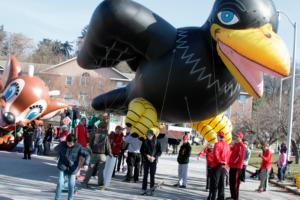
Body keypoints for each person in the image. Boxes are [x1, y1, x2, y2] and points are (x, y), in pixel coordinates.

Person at [54, 134, 90, 200]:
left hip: (73, 168)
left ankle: (70, 198)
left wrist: (86, 164)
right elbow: (55, 149)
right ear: (66, 141)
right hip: (63, 166)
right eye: (68, 143)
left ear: (74, 142)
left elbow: (87, 154)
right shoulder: (63, 144)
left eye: (71, 143)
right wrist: (58, 152)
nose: (69, 144)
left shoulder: (78, 147)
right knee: (60, 183)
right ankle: (57, 198)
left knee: (71, 185)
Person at [82, 122, 112, 191]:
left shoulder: (95, 134)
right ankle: (100, 184)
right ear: (105, 127)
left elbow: (91, 143)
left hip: (94, 153)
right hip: (102, 155)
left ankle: (85, 182)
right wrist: (109, 153)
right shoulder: (106, 135)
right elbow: (107, 146)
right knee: (101, 170)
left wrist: (92, 150)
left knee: (90, 169)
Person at [208, 131, 231, 200]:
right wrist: (225, 162)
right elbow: (229, 155)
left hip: (217, 165)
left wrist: (220, 161)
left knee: (215, 183)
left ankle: (213, 197)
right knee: (221, 183)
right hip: (224, 166)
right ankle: (221, 197)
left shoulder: (217, 144)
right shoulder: (227, 145)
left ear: (218, 136)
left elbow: (215, 154)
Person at [140, 129, 162, 195]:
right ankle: (144, 188)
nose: (148, 136)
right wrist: (147, 156)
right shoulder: (145, 141)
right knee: (145, 174)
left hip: (153, 160)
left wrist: (154, 157)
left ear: (152, 135)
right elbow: (142, 151)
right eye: (147, 135)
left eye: (149, 135)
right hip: (146, 160)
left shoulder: (157, 141)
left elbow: (159, 151)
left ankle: (152, 188)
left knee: (152, 175)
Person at [228, 131, 245, 200]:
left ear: (240, 137)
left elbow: (239, 157)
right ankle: (232, 196)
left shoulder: (241, 145)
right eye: (236, 136)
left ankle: (235, 198)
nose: (236, 137)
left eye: (237, 136)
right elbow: (230, 148)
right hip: (232, 166)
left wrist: (234, 162)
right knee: (231, 182)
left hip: (237, 167)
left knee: (235, 184)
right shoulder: (236, 144)